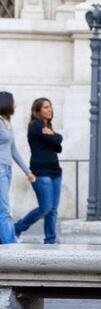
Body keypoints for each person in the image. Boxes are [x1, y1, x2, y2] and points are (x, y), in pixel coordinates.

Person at [15, 98, 63, 244]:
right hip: (41, 172)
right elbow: (56, 141)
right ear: (38, 111)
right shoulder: (35, 126)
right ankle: (17, 228)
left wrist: (52, 136)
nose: (50, 109)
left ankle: (50, 240)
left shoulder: (48, 127)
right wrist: (53, 138)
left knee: (53, 210)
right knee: (45, 207)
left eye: (50, 106)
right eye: (46, 107)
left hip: (55, 172)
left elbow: (58, 145)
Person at [0, 91, 35, 244]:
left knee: (3, 207)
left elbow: (14, 151)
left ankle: (5, 240)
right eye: (13, 102)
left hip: (7, 169)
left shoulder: (7, 124)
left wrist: (27, 172)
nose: (15, 104)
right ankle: (10, 242)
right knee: (4, 209)